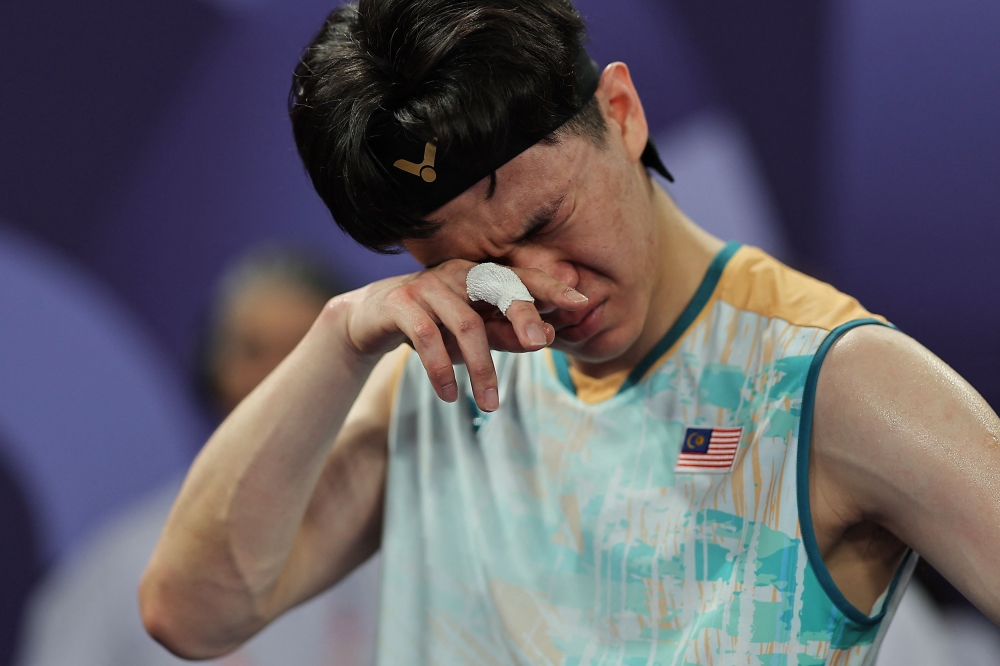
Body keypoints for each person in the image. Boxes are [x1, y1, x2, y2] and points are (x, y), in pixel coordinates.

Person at [139, 1, 1000, 664]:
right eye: (478, 267)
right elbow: (191, 612)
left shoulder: (828, 381)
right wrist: (338, 340)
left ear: (621, 112)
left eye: (548, 218)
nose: (541, 287)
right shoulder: (435, 383)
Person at [17, 247, 379, 666]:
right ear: (211, 369)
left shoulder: (406, 541)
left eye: (303, 351)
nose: (281, 377)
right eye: (255, 350)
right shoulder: (121, 567)